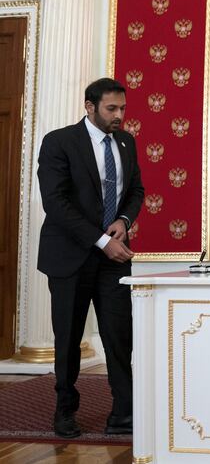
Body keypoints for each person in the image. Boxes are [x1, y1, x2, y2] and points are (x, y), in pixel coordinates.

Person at [37, 78, 144, 438]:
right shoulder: (59, 142)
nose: (119, 116)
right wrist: (101, 240)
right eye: (111, 109)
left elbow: (136, 190)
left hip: (113, 259)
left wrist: (124, 221)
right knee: (68, 339)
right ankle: (64, 411)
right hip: (69, 257)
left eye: (123, 109)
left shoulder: (127, 142)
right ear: (89, 106)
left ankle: (123, 413)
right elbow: (56, 203)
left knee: (119, 336)